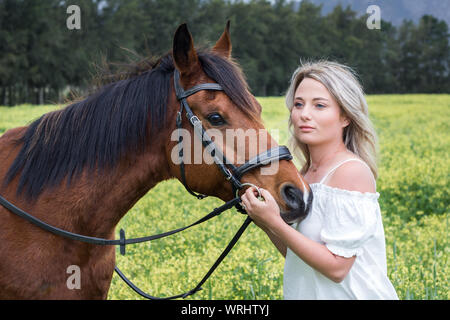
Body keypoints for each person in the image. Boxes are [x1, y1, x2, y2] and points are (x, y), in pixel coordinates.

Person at [240, 60, 399, 300]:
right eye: (298, 104)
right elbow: (298, 255)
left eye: (319, 106)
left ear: (345, 116)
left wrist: (276, 221)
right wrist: (265, 220)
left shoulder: (350, 171)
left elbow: (336, 268)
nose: (304, 114)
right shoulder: (302, 175)